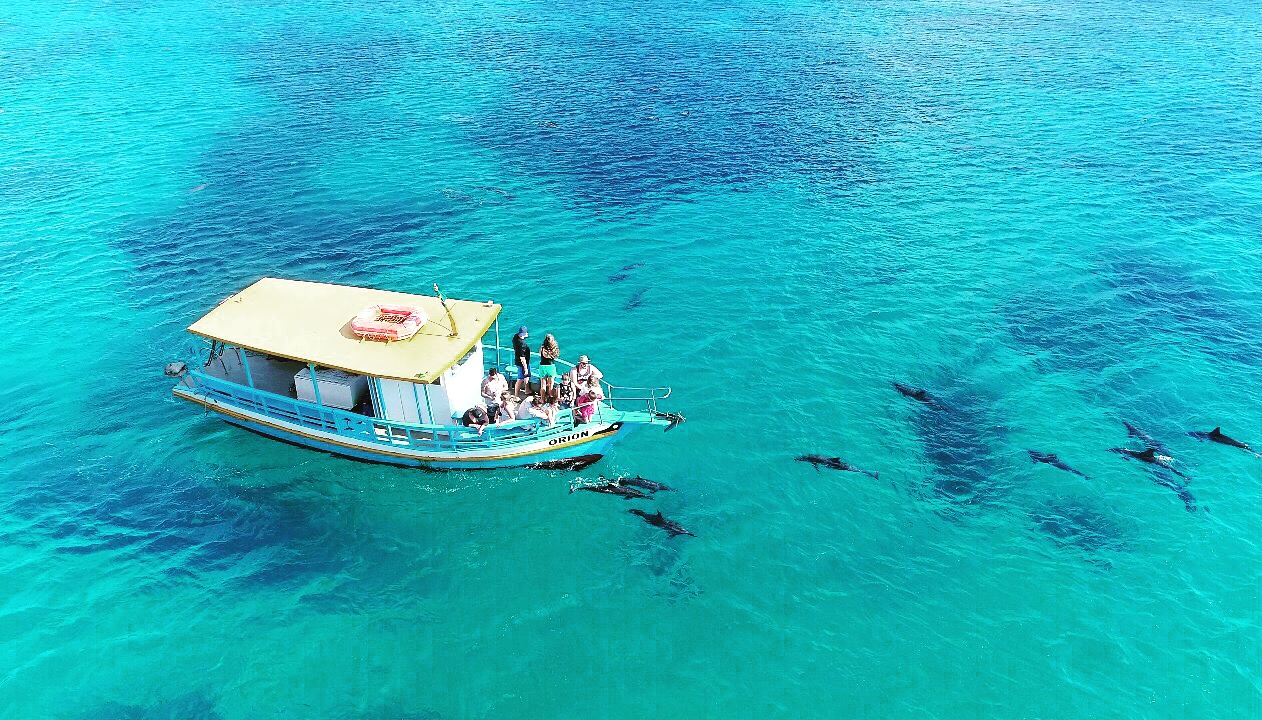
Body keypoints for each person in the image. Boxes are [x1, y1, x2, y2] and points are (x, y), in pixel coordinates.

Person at [538, 333, 560, 401]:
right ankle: (550, 398)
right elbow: (556, 357)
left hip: (542, 366)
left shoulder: (542, 348)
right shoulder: (554, 348)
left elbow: (539, 354)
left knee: (543, 385)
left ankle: (542, 399)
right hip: (551, 367)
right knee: (551, 385)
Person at [512, 326, 531, 396]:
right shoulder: (522, 344)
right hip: (522, 363)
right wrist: (525, 368)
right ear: (523, 334)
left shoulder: (515, 337)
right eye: (526, 332)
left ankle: (527, 390)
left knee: (527, 376)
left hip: (519, 361)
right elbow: (522, 357)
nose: (527, 333)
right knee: (520, 379)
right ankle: (516, 395)